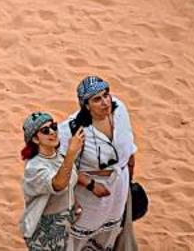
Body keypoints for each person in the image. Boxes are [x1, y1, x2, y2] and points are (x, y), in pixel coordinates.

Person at [60, 77, 140, 250]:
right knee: (78, 240)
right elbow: (58, 166)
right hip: (89, 197)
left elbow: (129, 146)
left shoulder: (120, 111)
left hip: (118, 189)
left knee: (110, 234)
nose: (105, 102)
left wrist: (129, 181)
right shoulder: (72, 129)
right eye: (97, 99)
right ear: (86, 105)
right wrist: (90, 184)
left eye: (106, 95)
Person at [18, 111, 85, 251]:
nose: (52, 132)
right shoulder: (34, 167)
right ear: (35, 139)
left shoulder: (59, 156)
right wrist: (71, 154)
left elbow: (69, 183)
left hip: (64, 225)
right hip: (44, 230)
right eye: (45, 130)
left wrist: (73, 206)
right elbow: (58, 184)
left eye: (54, 126)